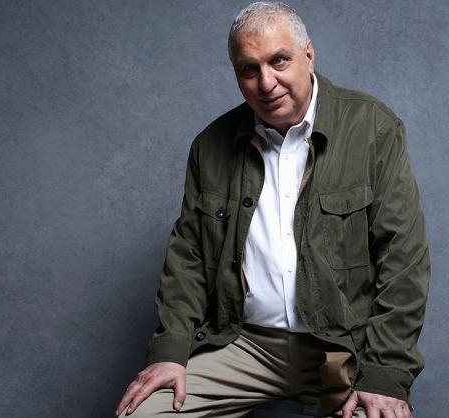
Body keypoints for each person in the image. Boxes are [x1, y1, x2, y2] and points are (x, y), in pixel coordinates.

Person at [115, 2, 430, 418]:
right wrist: (170, 351)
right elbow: (187, 258)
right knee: (141, 414)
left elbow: (403, 259)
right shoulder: (210, 145)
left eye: (279, 60)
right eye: (249, 69)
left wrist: (386, 373)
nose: (266, 83)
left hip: (342, 348)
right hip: (242, 343)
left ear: (308, 55)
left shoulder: (374, 128)